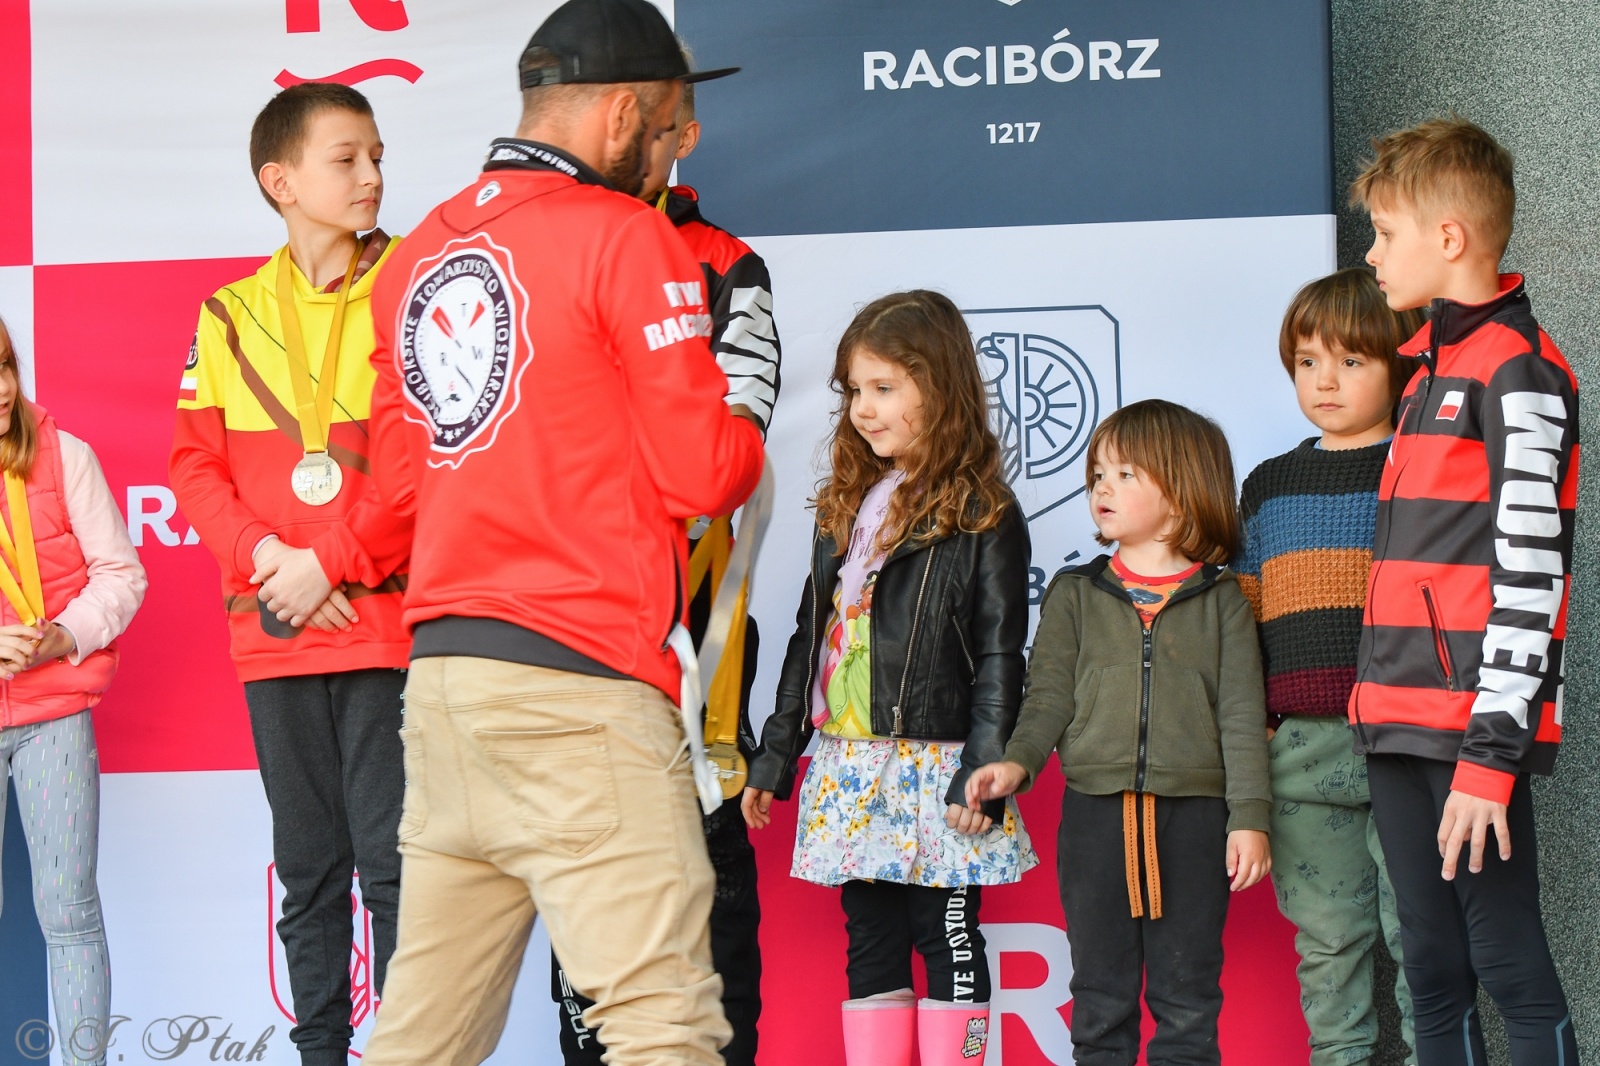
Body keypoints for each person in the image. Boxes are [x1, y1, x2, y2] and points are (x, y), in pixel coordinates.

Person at [355, 0, 764, 1061]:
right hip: (580, 684)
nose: (679, 153)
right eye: (673, 128)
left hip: (442, 694)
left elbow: (392, 502)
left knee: (419, 1040)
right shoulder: (629, 236)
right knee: (661, 1023)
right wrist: (745, 427)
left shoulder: (414, 254)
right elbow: (697, 474)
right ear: (624, 114)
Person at [168, 83, 411, 1066]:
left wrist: (332, 563)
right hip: (272, 628)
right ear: (282, 181)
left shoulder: (411, 289)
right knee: (310, 867)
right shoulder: (226, 316)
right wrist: (271, 560)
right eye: (346, 158)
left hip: (388, 626)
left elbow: (420, 467)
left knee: (396, 867)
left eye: (377, 156)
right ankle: (319, 1054)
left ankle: (409, 1051)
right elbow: (192, 463)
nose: (371, 176)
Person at [550, 50, 779, 1066]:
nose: (646, 137)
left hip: (693, 643)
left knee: (708, 913)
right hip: (565, 640)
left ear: (682, 136)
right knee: (587, 917)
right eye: (634, 117)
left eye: (668, 122)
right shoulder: (533, 253)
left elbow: (731, 446)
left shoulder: (730, 263)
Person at [743, 290, 1035, 1066]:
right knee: (869, 935)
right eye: (853, 392)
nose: (864, 410)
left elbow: (1003, 651)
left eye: (884, 388)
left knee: (946, 933)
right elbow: (813, 638)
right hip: (850, 763)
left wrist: (985, 767)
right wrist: (776, 754)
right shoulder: (850, 503)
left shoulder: (983, 511)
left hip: (937, 765)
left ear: (938, 388)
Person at [1348, 116, 1580, 1065]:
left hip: (1467, 731)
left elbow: (1534, 573)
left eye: (1384, 233)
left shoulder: (1521, 371)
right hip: (1393, 722)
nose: (1370, 255)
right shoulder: (1423, 373)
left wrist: (1491, 758)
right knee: (1432, 973)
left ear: (1449, 239)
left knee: (1508, 966)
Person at [968, 399, 1272, 1066]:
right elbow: (1046, 697)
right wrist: (1016, 764)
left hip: (1194, 821)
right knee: (1100, 997)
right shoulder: (1076, 593)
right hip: (1095, 818)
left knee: (1187, 999)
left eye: (1125, 474)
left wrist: (1250, 817)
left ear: (1183, 490)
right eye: (1097, 474)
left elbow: (1243, 718)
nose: (1102, 487)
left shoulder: (1222, 602)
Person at [1235, 268, 1423, 1066]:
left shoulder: (1420, 468)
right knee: (1328, 943)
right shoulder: (1270, 484)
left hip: (1411, 743)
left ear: (1399, 365)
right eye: (1308, 361)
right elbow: (1244, 619)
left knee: (1422, 937)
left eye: (1351, 361)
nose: (1326, 381)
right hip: (1303, 754)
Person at [0, 315, 146, 1066]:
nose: (2, 390)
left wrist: (65, 632)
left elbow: (121, 574)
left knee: (70, 913)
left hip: (53, 715)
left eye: (5, 366)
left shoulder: (64, 455)